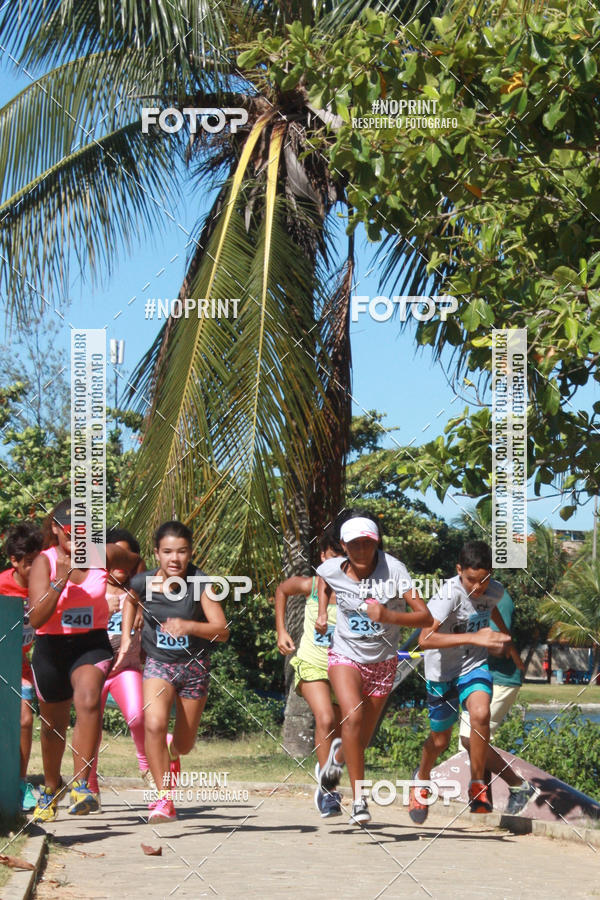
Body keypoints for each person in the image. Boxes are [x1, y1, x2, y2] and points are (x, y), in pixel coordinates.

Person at [316, 514, 432, 825]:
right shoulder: (332, 568)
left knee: (361, 739)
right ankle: (359, 802)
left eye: (367, 544)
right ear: (344, 546)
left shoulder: (394, 570)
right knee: (352, 717)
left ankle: (336, 760)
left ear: (376, 543)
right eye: (355, 544)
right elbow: (323, 580)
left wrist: (388, 616)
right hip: (345, 655)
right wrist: (322, 613)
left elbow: (425, 617)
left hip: (383, 661)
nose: (362, 550)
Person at [28, 500, 140, 822]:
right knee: (53, 727)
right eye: (69, 532)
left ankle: (81, 786)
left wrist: (136, 598)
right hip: (51, 647)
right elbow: (36, 618)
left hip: (91, 643)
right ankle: (51, 789)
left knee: (89, 700)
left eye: (84, 532)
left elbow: (135, 561)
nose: (77, 539)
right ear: (55, 529)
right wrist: (61, 579)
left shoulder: (102, 555)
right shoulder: (44, 562)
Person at [410, 541, 535, 823]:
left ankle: (478, 785)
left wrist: (506, 640)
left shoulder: (495, 590)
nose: (478, 588)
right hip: (442, 674)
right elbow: (424, 640)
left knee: (480, 714)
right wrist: (475, 637)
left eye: (484, 580)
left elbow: (491, 609)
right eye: (471, 580)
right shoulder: (448, 596)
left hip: (473, 667)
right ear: (459, 570)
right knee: (440, 741)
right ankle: (421, 777)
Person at [117, 520, 230, 823]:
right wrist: (127, 635)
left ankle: (173, 752)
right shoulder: (143, 581)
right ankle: (163, 799)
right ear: (156, 553)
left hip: (195, 668)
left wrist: (189, 626)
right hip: (158, 663)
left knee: (184, 744)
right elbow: (130, 600)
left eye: (181, 551)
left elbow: (222, 631)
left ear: (190, 553)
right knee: (153, 724)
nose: (175, 559)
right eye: (167, 552)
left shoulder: (201, 583)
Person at [275, 530, 344, 817]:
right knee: (325, 718)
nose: (338, 562)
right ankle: (328, 791)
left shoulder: (357, 590)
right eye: (333, 555)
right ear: (323, 556)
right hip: (312, 663)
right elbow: (282, 590)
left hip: (344, 668)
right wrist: (281, 630)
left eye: (344, 557)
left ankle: (328, 772)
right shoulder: (312, 584)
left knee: (341, 728)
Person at [87, 529, 155, 806]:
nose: (119, 564)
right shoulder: (92, 589)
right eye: (113, 556)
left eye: (125, 558)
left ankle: (147, 769)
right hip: (93, 669)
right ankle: (89, 786)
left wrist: (139, 609)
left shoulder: (138, 594)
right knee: (91, 728)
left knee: (138, 716)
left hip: (126, 668)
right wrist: (101, 607)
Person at [458, 589, 534, 815]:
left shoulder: (499, 599)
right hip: (477, 678)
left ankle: (519, 786)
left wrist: (465, 640)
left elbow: (502, 646)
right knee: (474, 741)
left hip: (500, 679)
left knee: (470, 739)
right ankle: (483, 803)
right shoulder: (468, 597)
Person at [0, 522, 43, 810]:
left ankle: (20, 783)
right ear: (14, 561)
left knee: (25, 720)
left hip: (20, 663)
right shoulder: (2, 586)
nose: (36, 568)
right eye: (29, 563)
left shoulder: (45, 586)